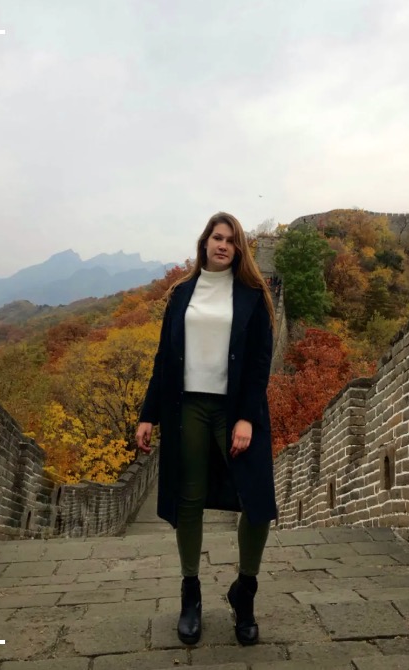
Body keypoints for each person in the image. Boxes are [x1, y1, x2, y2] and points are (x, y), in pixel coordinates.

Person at [135, 212, 277, 647]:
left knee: (256, 501)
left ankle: (245, 590)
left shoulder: (252, 295)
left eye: (231, 240)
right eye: (217, 237)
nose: (223, 245)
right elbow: (164, 359)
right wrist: (148, 414)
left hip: (235, 409)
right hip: (188, 407)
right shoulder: (182, 294)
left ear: (239, 249)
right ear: (204, 243)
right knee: (189, 499)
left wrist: (247, 417)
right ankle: (191, 593)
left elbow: (260, 362)